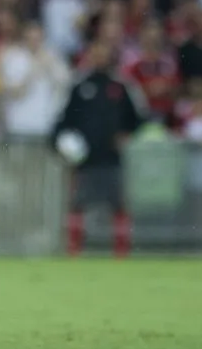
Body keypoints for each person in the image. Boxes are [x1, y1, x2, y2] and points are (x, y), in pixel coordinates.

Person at [53, 39, 145, 257]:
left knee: (118, 205)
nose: (99, 58)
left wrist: (126, 134)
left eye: (103, 53)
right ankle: (74, 250)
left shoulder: (122, 86)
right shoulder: (78, 86)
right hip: (84, 160)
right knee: (77, 205)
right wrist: (64, 145)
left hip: (112, 158)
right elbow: (63, 122)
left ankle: (121, 252)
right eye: (95, 53)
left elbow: (137, 118)